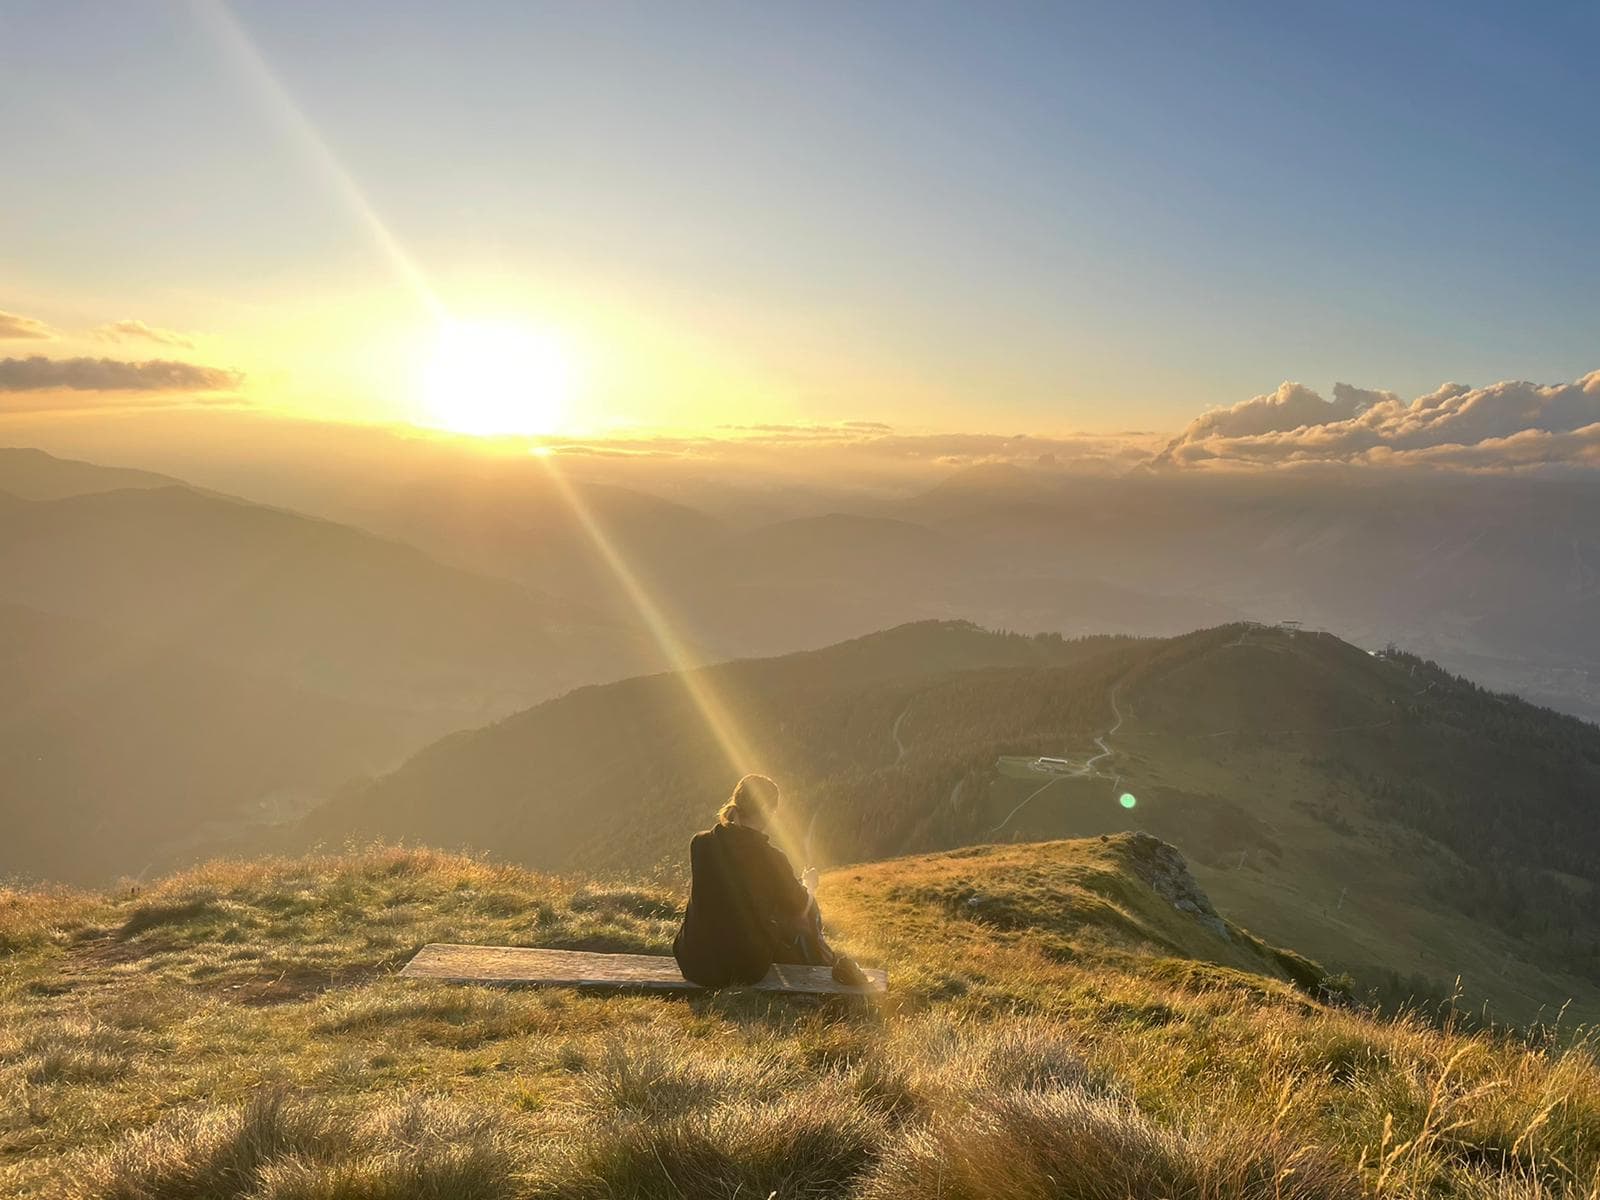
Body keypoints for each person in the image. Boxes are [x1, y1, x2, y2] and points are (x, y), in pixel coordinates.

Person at [673, 773, 866, 988]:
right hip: (743, 968)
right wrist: (809, 885)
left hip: (692, 961)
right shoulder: (772, 859)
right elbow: (800, 905)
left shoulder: (700, 843)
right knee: (799, 915)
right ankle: (821, 962)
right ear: (770, 813)